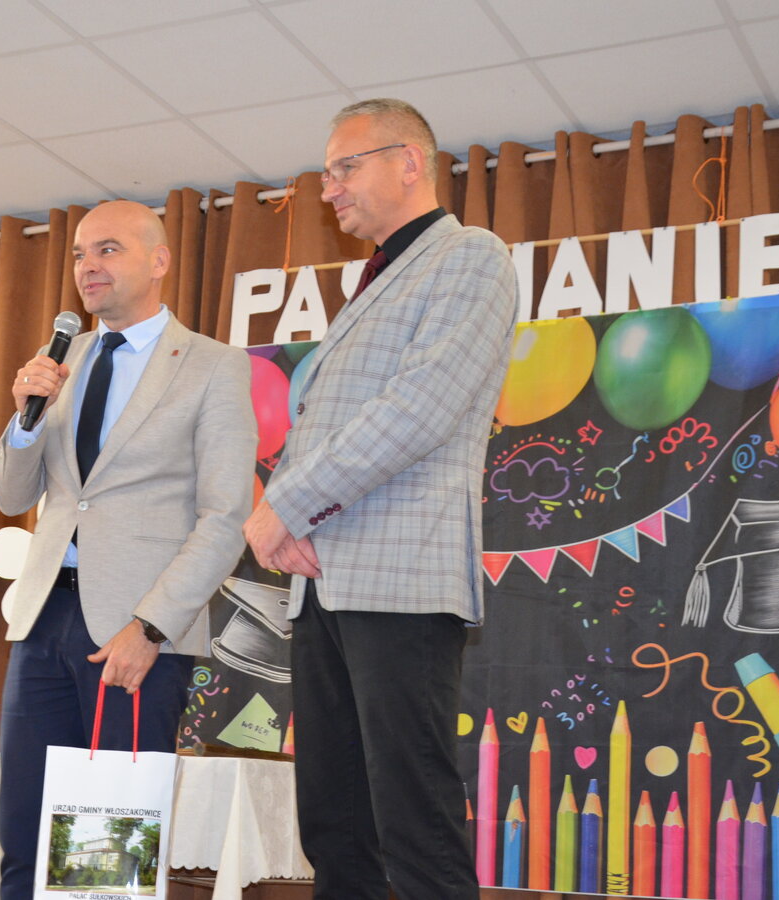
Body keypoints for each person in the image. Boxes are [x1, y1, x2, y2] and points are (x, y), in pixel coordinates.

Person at [244, 99, 518, 899]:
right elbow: (327, 428)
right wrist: (290, 518)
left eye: (344, 167)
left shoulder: (469, 256)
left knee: (413, 822)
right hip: (320, 585)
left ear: (409, 163)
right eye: (325, 173)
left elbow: (418, 408)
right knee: (334, 826)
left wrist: (284, 506)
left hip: (400, 580)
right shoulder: (375, 281)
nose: (328, 188)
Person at [0, 199, 257, 899]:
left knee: (101, 856)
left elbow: (225, 517)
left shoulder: (213, 366)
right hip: (42, 618)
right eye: (79, 254)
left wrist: (151, 627)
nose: (88, 266)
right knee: (22, 834)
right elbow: (12, 496)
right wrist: (24, 419)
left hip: (136, 635)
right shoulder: (61, 362)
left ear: (159, 260)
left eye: (107, 249)